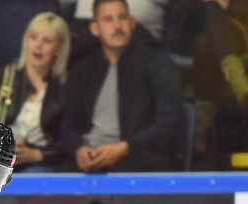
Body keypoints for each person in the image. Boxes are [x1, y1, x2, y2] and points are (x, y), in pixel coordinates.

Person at [62, 0, 185, 172]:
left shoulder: (158, 64)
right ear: (94, 29)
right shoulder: (82, 70)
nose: (117, 26)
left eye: (122, 18)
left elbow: (169, 124)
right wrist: (78, 150)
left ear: (132, 23)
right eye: (108, 20)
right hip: (90, 157)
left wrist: (125, 147)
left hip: (139, 158)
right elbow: (68, 125)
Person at [0, 11, 70, 172]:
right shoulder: (3, 76)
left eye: (47, 41)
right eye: (33, 37)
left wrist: (38, 155)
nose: (38, 45)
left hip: (41, 163)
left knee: (36, 177)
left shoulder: (66, 86)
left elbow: (71, 141)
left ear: (59, 48)